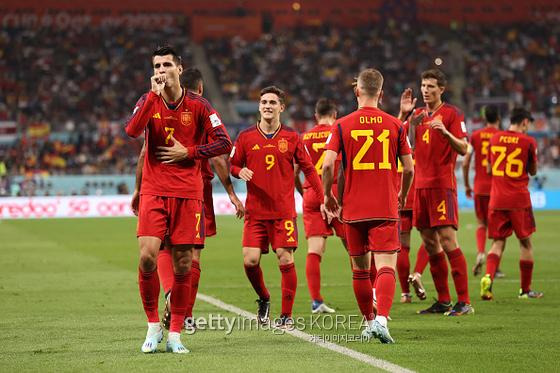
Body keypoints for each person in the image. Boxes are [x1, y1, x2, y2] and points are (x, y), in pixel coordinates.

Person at [125, 46, 232, 353]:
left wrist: (190, 152)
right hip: (154, 190)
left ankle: (175, 334)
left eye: (167, 65)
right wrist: (153, 97)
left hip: (188, 192)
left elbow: (223, 141)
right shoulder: (147, 101)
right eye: (157, 65)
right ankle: (153, 325)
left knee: (184, 263)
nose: (161, 70)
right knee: (147, 255)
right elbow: (132, 131)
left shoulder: (199, 106)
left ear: (179, 69)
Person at [323, 68, 414, 343]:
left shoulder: (341, 124)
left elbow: (328, 164)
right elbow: (409, 169)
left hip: (353, 209)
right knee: (386, 265)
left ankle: (368, 322)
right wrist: (402, 194)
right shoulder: (396, 126)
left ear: (357, 91)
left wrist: (328, 195)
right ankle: (383, 320)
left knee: (360, 270)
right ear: (382, 94)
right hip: (385, 206)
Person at [230, 86, 324, 326]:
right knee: (250, 261)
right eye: (264, 102)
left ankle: (286, 316)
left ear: (281, 107)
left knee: (285, 259)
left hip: (283, 213)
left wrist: (322, 197)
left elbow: (309, 169)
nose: (267, 106)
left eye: (272, 102)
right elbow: (232, 165)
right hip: (256, 213)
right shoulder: (246, 137)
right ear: (259, 107)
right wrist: (240, 170)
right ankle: (264, 297)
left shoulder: (292, 137)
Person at [408, 69, 473, 316]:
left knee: (447, 241)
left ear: (441, 90)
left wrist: (446, 133)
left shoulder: (452, 114)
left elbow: (465, 148)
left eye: (431, 86)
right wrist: (408, 122)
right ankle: (444, 300)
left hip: (442, 186)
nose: (425, 90)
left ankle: (464, 302)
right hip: (420, 187)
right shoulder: (417, 115)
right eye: (423, 85)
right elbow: (408, 148)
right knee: (429, 243)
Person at [480, 108, 543, 300]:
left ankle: (488, 277)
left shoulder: (495, 138)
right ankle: (525, 290)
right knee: (525, 243)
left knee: (497, 242)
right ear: (524, 122)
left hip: (497, 199)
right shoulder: (528, 141)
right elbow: (532, 171)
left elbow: (490, 169)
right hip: (518, 200)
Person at [295, 98, 346, 314]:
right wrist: (341, 200)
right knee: (355, 248)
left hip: (311, 193)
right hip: (334, 191)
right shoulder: (337, 133)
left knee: (314, 250)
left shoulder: (304, 137)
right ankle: (371, 293)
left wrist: (304, 191)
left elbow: (293, 172)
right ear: (335, 115)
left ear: (316, 116)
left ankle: (316, 301)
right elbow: (342, 167)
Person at [462, 105, 504, 276]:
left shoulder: (476, 136)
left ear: (485, 118)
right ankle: (495, 267)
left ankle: (481, 252)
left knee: (481, 224)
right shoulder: (502, 136)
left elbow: (465, 163)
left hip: (479, 187)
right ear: (498, 118)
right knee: (498, 230)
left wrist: (466, 184)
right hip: (498, 189)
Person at [396, 88, 429, 303]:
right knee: (431, 238)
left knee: (403, 244)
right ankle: (417, 273)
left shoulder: (398, 128)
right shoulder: (428, 129)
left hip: (400, 190)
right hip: (420, 188)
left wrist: (401, 114)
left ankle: (405, 294)